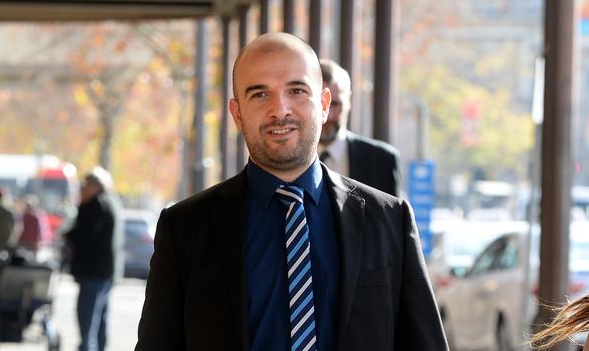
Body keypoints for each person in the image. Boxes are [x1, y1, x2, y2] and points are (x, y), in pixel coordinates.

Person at [135, 33, 447, 350]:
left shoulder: (388, 220)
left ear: (324, 104)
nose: (279, 110)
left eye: (297, 91)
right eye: (259, 95)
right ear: (237, 113)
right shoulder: (185, 229)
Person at [318, 59, 401, 197]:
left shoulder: (382, 161)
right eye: (321, 104)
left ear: (349, 101)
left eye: (335, 104)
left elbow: (391, 218)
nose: (329, 115)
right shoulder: (287, 156)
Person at [64, 167, 118, 351]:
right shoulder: (108, 204)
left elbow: (85, 237)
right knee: (98, 321)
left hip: (93, 272)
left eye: (85, 184)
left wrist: (69, 236)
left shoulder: (96, 207)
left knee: (87, 322)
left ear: (96, 187)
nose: (81, 188)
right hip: (102, 272)